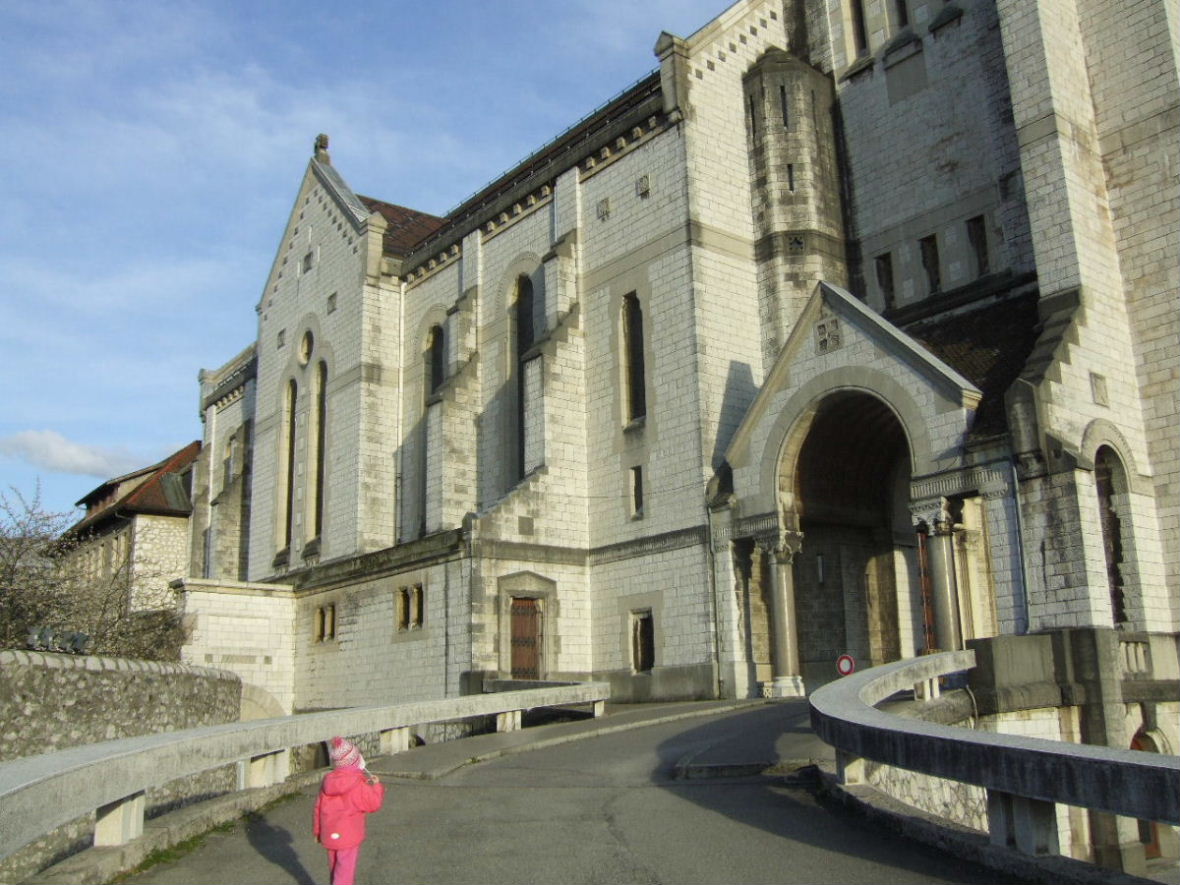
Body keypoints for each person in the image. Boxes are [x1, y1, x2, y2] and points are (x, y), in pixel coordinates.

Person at [314, 736, 385, 885]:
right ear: (355, 762)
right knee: (345, 872)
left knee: (335, 869)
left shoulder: (328, 781)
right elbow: (374, 804)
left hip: (330, 834)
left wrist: (318, 831)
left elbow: (318, 808)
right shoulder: (358, 784)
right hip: (349, 835)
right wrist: (376, 787)